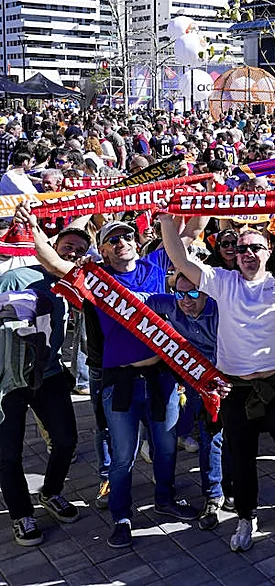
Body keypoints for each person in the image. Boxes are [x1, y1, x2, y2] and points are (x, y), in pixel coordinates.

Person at [22, 211, 198, 550]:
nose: (122, 243)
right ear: (102, 250)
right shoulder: (95, 280)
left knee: (164, 449)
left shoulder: (156, 268)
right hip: (120, 383)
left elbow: (189, 233)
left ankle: (164, 499)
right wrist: (33, 229)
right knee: (122, 456)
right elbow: (55, 263)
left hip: (160, 378)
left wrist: (177, 207)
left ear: (136, 242)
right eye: (113, 240)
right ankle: (121, 516)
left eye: (127, 237)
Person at [159, 215, 275, 553]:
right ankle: (246, 518)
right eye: (242, 248)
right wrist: (166, 220)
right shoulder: (223, 281)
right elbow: (180, 260)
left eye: (255, 247)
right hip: (236, 389)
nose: (247, 253)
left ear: (268, 249)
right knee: (240, 458)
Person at [0, 227, 91, 547]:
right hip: (5, 381)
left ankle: (51, 492)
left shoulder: (72, 285)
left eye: (80, 251)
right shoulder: (17, 278)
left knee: (66, 440)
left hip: (48, 375)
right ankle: (21, 514)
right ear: (51, 246)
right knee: (8, 454)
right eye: (68, 247)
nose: (73, 254)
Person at [150, 269, 223, 531]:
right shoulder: (169, 303)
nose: (186, 300)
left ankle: (232, 486)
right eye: (180, 293)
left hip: (228, 376)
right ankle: (213, 495)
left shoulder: (221, 310)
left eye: (193, 293)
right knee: (209, 435)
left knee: (231, 437)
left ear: (206, 293)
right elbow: (132, 303)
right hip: (196, 381)